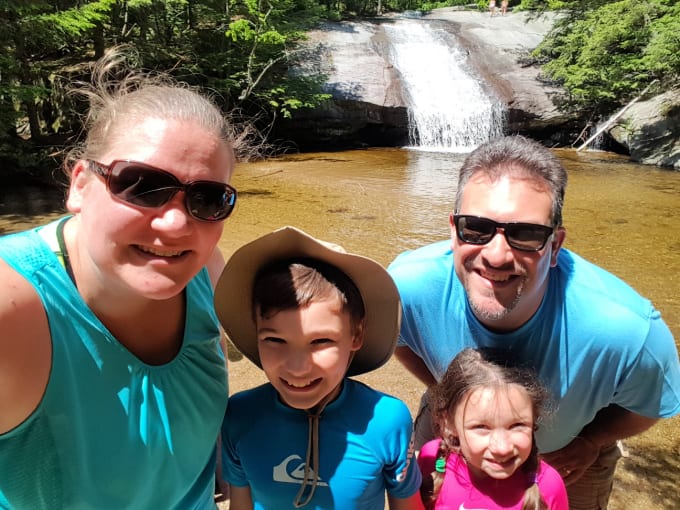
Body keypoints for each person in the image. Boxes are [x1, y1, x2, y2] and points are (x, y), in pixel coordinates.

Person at [0, 47, 238, 509]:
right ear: (79, 185)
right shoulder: (12, 306)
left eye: (207, 199)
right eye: (143, 186)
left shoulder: (203, 270)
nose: (175, 225)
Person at [387, 135, 680, 510]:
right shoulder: (405, 288)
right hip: (450, 433)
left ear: (555, 246)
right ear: (453, 230)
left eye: (525, 235)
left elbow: (652, 404)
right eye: (476, 227)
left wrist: (591, 442)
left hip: (568, 456)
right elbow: (397, 340)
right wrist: (448, 392)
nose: (495, 255)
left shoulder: (625, 329)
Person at [214, 226, 424, 509]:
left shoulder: (386, 420)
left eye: (320, 341)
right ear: (256, 334)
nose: (298, 368)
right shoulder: (239, 416)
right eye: (275, 339)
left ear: (356, 336)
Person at [419, 348, 568, 510]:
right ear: (448, 424)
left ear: (534, 420)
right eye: (481, 427)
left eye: (517, 425)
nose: (502, 448)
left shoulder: (548, 485)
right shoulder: (431, 459)